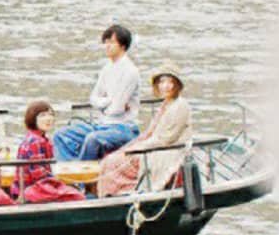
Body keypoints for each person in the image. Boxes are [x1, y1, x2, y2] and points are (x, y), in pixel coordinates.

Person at [98, 68, 194, 197]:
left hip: (168, 149)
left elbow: (167, 139)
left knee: (114, 162)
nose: (165, 86)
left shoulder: (181, 106)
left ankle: (121, 192)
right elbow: (151, 133)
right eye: (161, 82)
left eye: (170, 82)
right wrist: (132, 146)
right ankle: (109, 194)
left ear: (177, 84)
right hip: (156, 144)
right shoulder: (166, 104)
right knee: (110, 159)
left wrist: (140, 147)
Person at [53, 23, 141, 161]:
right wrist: (107, 101)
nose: (107, 46)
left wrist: (106, 105)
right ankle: (72, 170)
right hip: (101, 125)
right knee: (60, 134)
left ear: (123, 45)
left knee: (92, 139)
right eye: (106, 42)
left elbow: (116, 109)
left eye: (111, 42)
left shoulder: (130, 71)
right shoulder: (107, 69)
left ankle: (81, 177)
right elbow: (93, 98)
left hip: (123, 128)